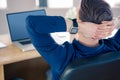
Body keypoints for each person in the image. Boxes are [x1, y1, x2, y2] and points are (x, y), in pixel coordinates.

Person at [26, 0, 120, 80]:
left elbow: (32, 23)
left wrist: (77, 27)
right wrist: (114, 22)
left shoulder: (62, 57)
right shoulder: (116, 46)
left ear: (79, 21)